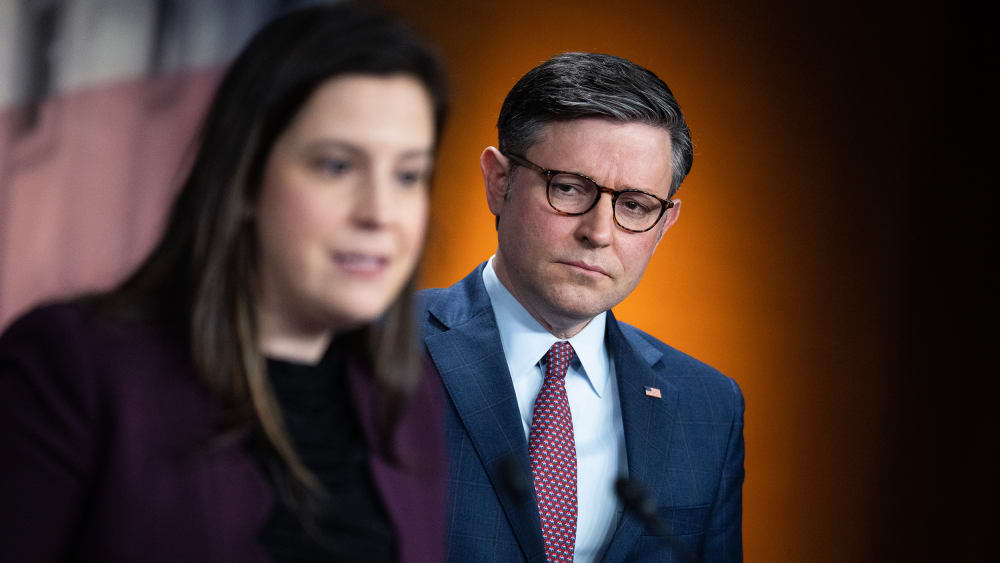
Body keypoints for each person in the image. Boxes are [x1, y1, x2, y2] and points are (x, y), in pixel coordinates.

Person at [0, 3, 448, 562]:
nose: (380, 212)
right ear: (245, 180)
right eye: (336, 166)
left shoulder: (411, 405)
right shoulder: (72, 369)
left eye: (408, 175)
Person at [419, 52, 744, 562]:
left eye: (634, 206)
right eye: (569, 189)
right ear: (499, 182)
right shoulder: (370, 347)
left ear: (665, 225)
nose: (598, 232)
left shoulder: (708, 407)